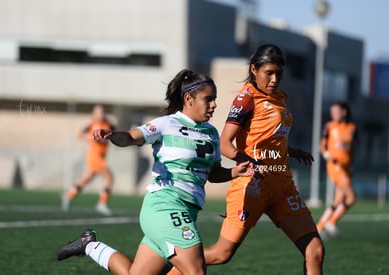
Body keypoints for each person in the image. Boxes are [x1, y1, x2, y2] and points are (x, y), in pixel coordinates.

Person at [56, 69, 254, 275]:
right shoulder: (166, 124)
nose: (214, 104)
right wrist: (113, 135)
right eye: (208, 99)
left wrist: (234, 172)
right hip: (165, 207)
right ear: (189, 99)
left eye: (214, 99)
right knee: (195, 271)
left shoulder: (211, 133)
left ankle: (88, 245)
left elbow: (212, 174)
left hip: (188, 211)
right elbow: (132, 138)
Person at [169, 44, 325, 275]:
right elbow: (225, 144)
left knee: (315, 250)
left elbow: (265, 138)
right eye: (269, 73)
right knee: (222, 254)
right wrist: (250, 162)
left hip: (282, 186)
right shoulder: (246, 99)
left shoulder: (279, 97)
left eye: (278, 73)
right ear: (254, 69)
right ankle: (173, 265)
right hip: (252, 187)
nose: (274, 79)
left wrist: (290, 150)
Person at [62, 104, 116, 216]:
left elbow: (119, 132)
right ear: (94, 114)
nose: (101, 114)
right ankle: (102, 204)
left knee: (86, 179)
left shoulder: (108, 125)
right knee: (109, 178)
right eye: (98, 112)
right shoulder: (92, 124)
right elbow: (80, 134)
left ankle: (68, 196)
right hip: (94, 156)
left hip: (100, 156)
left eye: (102, 112)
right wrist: (91, 137)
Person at [316, 102, 357, 238]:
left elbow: (352, 150)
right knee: (351, 198)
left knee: (337, 200)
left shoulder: (352, 128)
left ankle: (320, 226)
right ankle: (331, 222)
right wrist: (326, 153)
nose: (333, 114)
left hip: (345, 167)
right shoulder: (329, 127)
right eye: (332, 112)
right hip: (335, 166)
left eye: (336, 111)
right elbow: (321, 146)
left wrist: (351, 165)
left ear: (344, 112)